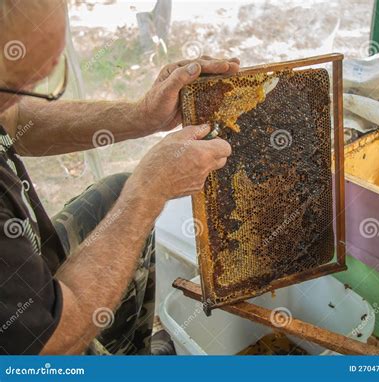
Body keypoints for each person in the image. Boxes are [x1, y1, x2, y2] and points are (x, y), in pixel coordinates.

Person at [0, 0, 239, 355]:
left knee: (114, 194)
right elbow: (47, 342)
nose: (22, 95)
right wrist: (147, 194)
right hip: (37, 348)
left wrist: (142, 115)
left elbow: (14, 122)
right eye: (15, 84)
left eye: (40, 77)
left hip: (28, 259)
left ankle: (130, 349)